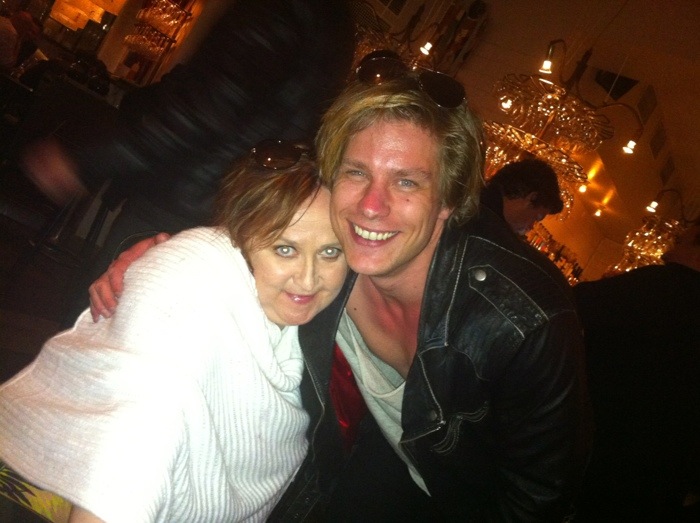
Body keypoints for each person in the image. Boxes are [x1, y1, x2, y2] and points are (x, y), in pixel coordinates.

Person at [89, 51, 592, 521]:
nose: (371, 206)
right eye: (356, 172)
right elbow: (243, 237)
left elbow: (539, 500)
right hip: (340, 456)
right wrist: (154, 257)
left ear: (448, 201)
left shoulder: (524, 321)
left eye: (407, 182)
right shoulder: (329, 232)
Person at [0, 140, 348, 522]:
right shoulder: (189, 297)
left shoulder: (334, 302)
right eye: (285, 249)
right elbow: (140, 430)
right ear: (238, 237)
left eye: (331, 252)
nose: (309, 278)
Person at [19, 0, 355, 326]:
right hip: (246, 211)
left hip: (185, 203)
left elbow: (204, 107)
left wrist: (86, 157)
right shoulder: (334, 18)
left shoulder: (277, 9)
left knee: (101, 325)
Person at [573, 226, 700, 521]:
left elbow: (568, 304)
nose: (676, 235)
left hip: (599, 448)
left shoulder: (665, 285)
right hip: (653, 481)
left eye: (686, 233)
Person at [481, 157, 564, 235]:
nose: (531, 227)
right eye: (536, 218)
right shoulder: (487, 226)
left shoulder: (481, 199)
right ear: (532, 198)